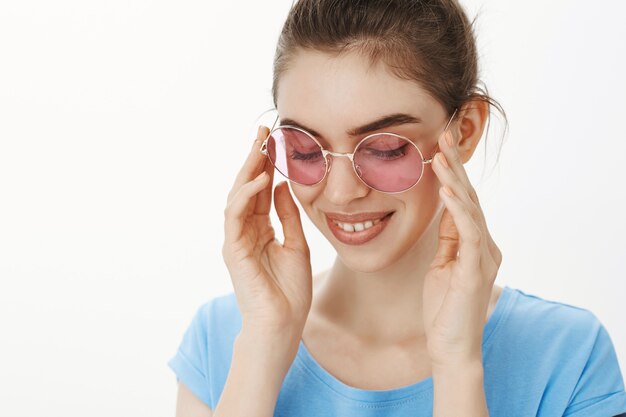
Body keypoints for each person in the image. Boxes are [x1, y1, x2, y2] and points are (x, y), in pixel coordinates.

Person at [168, 0, 626, 416]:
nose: (341, 193)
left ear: (464, 131)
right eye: (307, 149)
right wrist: (264, 346)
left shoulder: (567, 357)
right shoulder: (223, 339)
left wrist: (457, 363)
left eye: (385, 148)